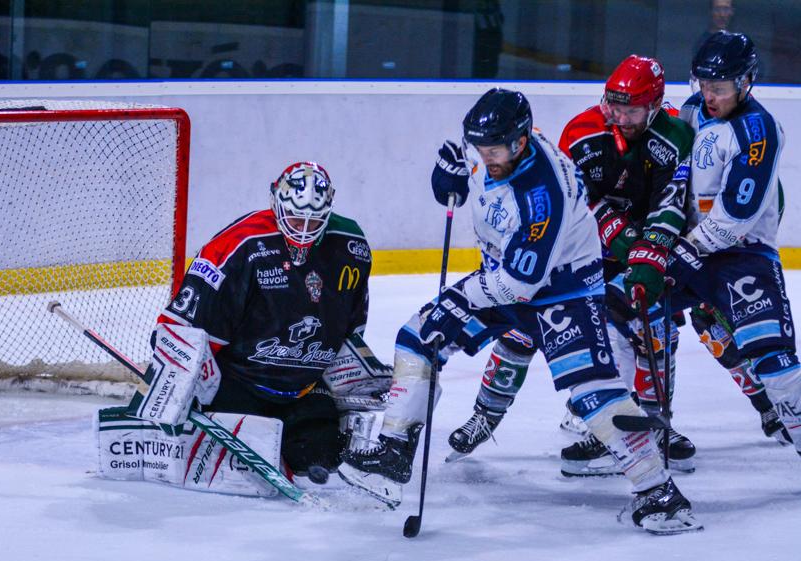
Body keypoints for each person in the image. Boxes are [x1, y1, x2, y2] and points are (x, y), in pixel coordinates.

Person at [338, 88, 702, 534]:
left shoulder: (541, 192)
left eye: (491, 149)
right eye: (480, 148)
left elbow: (521, 282)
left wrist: (464, 296)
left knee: (593, 392)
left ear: (520, 139)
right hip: (507, 279)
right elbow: (480, 178)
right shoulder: (505, 149)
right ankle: (394, 455)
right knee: (418, 338)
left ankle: (658, 492)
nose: (485, 155)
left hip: (563, 291)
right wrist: (451, 181)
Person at [446, 55, 786, 476]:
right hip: (575, 252)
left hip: (646, 250)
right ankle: (486, 416)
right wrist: (616, 231)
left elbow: (672, 202)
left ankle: (648, 427)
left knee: (655, 329)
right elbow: (571, 196)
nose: (618, 116)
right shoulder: (582, 131)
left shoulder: (677, 135)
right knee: (522, 330)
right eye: (612, 104)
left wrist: (648, 249)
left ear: (656, 106)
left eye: (631, 109)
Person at [127, 161, 390, 487]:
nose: (304, 231)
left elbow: (351, 331)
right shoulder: (241, 245)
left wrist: (355, 381)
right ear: (276, 203)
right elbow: (178, 329)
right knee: (241, 458)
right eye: (295, 218)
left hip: (303, 388)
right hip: (239, 386)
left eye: (314, 221)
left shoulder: (352, 246)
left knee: (323, 455)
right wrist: (183, 390)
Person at [629, 31, 801, 457]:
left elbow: (737, 214)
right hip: (692, 249)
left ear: (746, 83)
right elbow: (674, 171)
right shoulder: (692, 110)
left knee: (773, 361)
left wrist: (688, 249)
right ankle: (647, 419)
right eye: (703, 85)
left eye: (719, 88)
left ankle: (783, 413)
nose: (709, 95)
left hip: (743, 257)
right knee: (630, 307)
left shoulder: (758, 129)